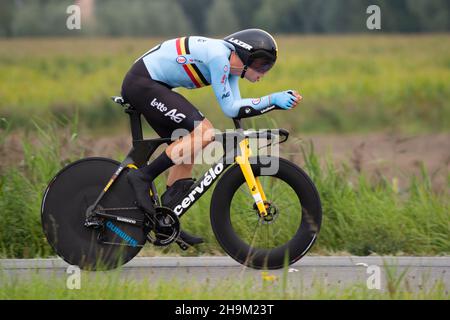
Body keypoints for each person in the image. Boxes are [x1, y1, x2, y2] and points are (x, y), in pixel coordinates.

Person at [121, 29, 302, 246]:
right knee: (204, 133)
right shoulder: (219, 58)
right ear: (244, 56)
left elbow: (236, 107)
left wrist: (272, 102)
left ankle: (165, 220)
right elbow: (230, 108)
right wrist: (272, 99)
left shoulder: (230, 65)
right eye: (262, 65)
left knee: (189, 145)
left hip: (151, 85)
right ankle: (142, 177)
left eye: (268, 67)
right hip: (143, 84)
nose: (263, 72)